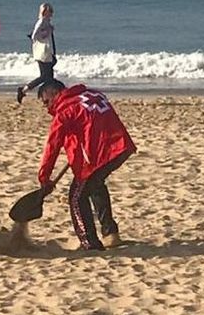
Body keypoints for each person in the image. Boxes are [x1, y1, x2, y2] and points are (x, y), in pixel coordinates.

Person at [36, 79, 135, 251]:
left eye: (46, 102)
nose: (46, 108)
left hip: (101, 154)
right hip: (121, 147)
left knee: (76, 196)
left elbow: (53, 145)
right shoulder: (93, 94)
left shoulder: (65, 110)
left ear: (54, 93)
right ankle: (110, 234)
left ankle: (89, 243)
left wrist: (44, 178)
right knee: (95, 186)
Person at [15, 2, 57, 104]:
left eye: (50, 10)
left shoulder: (46, 22)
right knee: (44, 76)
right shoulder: (41, 21)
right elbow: (34, 36)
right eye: (48, 11)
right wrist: (47, 32)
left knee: (49, 78)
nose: (50, 13)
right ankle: (24, 89)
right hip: (43, 54)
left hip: (47, 53)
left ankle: (48, 98)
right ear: (43, 12)